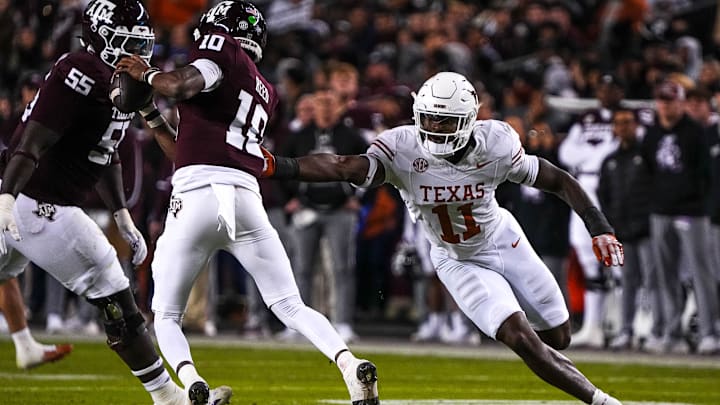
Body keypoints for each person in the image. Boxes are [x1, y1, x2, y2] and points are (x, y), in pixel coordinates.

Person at [263, 71, 624, 405]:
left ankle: (548, 357)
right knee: (519, 337)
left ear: (468, 120)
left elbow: (558, 179)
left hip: (503, 240)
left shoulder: (495, 144)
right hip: (456, 259)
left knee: (559, 338)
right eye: (428, 117)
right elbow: (343, 166)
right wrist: (278, 165)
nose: (434, 127)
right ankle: (602, 401)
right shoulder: (402, 148)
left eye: (444, 120)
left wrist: (600, 228)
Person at [114, 2, 380, 404]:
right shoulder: (265, 89)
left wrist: (147, 75)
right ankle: (348, 363)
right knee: (290, 304)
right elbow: (184, 148)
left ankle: (192, 386)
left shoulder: (219, 49)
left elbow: (182, 85)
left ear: (219, 29)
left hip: (197, 195)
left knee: (166, 315)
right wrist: (149, 109)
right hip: (244, 196)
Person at [0, 1, 230, 404]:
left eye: (138, 44)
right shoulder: (82, 70)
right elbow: (31, 141)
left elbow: (106, 151)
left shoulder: (120, 80)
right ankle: (169, 399)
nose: (133, 55)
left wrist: (122, 215)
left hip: (34, 199)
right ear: (97, 38)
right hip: (36, 201)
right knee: (115, 294)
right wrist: (8, 194)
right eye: (123, 43)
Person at [641, 80, 720, 355]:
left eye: (670, 100)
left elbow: (705, 174)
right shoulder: (651, 134)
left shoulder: (696, 133)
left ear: (680, 102)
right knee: (665, 276)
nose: (665, 105)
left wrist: (699, 205)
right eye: (661, 100)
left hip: (692, 212)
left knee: (701, 273)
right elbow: (648, 171)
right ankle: (670, 332)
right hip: (661, 210)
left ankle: (711, 331)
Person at [558, 73, 624, 348]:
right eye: (602, 87)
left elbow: (613, 151)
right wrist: (593, 156)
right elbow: (566, 154)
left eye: (611, 88)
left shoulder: (631, 117)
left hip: (612, 183)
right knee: (586, 255)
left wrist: (591, 155)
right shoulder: (587, 119)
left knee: (619, 259)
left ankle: (620, 324)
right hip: (582, 183)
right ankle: (593, 325)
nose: (605, 93)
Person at [597, 108, 658, 350]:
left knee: (654, 280)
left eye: (628, 122)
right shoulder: (610, 161)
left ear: (636, 125)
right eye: (619, 123)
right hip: (622, 230)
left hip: (646, 228)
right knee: (628, 282)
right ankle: (626, 329)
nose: (623, 127)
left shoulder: (646, 156)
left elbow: (656, 189)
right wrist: (612, 224)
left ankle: (656, 328)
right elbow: (603, 195)